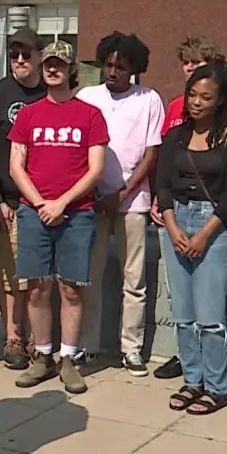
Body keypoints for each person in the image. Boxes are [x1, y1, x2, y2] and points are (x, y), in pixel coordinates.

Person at [8, 40, 109, 394]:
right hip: (34, 212)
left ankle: (68, 358)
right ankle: (42, 356)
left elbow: (96, 169)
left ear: (71, 70)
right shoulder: (29, 114)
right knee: (36, 289)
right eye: (48, 64)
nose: (53, 69)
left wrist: (62, 202)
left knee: (71, 288)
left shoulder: (90, 115)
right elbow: (16, 165)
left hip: (76, 213)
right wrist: (40, 204)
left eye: (60, 64)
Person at [156, 64, 227, 414]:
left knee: (211, 317)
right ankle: (192, 380)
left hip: (215, 224)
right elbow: (162, 184)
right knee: (183, 313)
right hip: (176, 219)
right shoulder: (176, 136)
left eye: (206, 97)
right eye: (192, 95)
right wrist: (173, 226)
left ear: (221, 100)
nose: (196, 103)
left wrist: (205, 233)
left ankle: (216, 385)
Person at [75, 32, 164, 375]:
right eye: (109, 65)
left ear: (134, 68)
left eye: (121, 67)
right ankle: (88, 345)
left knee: (134, 281)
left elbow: (151, 152)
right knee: (90, 277)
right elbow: (80, 151)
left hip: (133, 201)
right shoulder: (87, 96)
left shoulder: (149, 99)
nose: (113, 72)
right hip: (92, 201)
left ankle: (132, 349)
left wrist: (123, 194)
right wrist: (95, 194)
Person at [0, 27, 47, 370]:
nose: (20, 60)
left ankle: (39, 340)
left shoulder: (52, 92)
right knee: (11, 275)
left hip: (47, 204)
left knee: (41, 277)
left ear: (39, 56)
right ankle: (14, 338)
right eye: (14, 54)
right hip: (11, 202)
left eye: (26, 54)